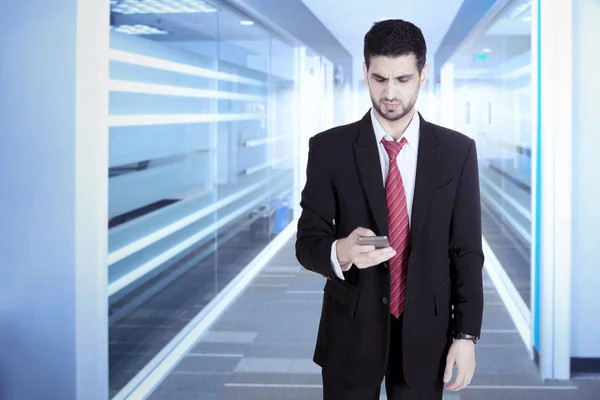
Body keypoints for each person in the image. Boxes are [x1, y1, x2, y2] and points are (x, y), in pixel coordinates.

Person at [295, 19, 484, 400]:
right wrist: (341, 252)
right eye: (379, 79)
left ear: (423, 75)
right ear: (365, 73)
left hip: (426, 334)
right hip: (350, 332)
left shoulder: (457, 152)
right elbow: (308, 241)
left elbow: (466, 251)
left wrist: (466, 336)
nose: (390, 93)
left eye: (403, 79)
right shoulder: (329, 149)